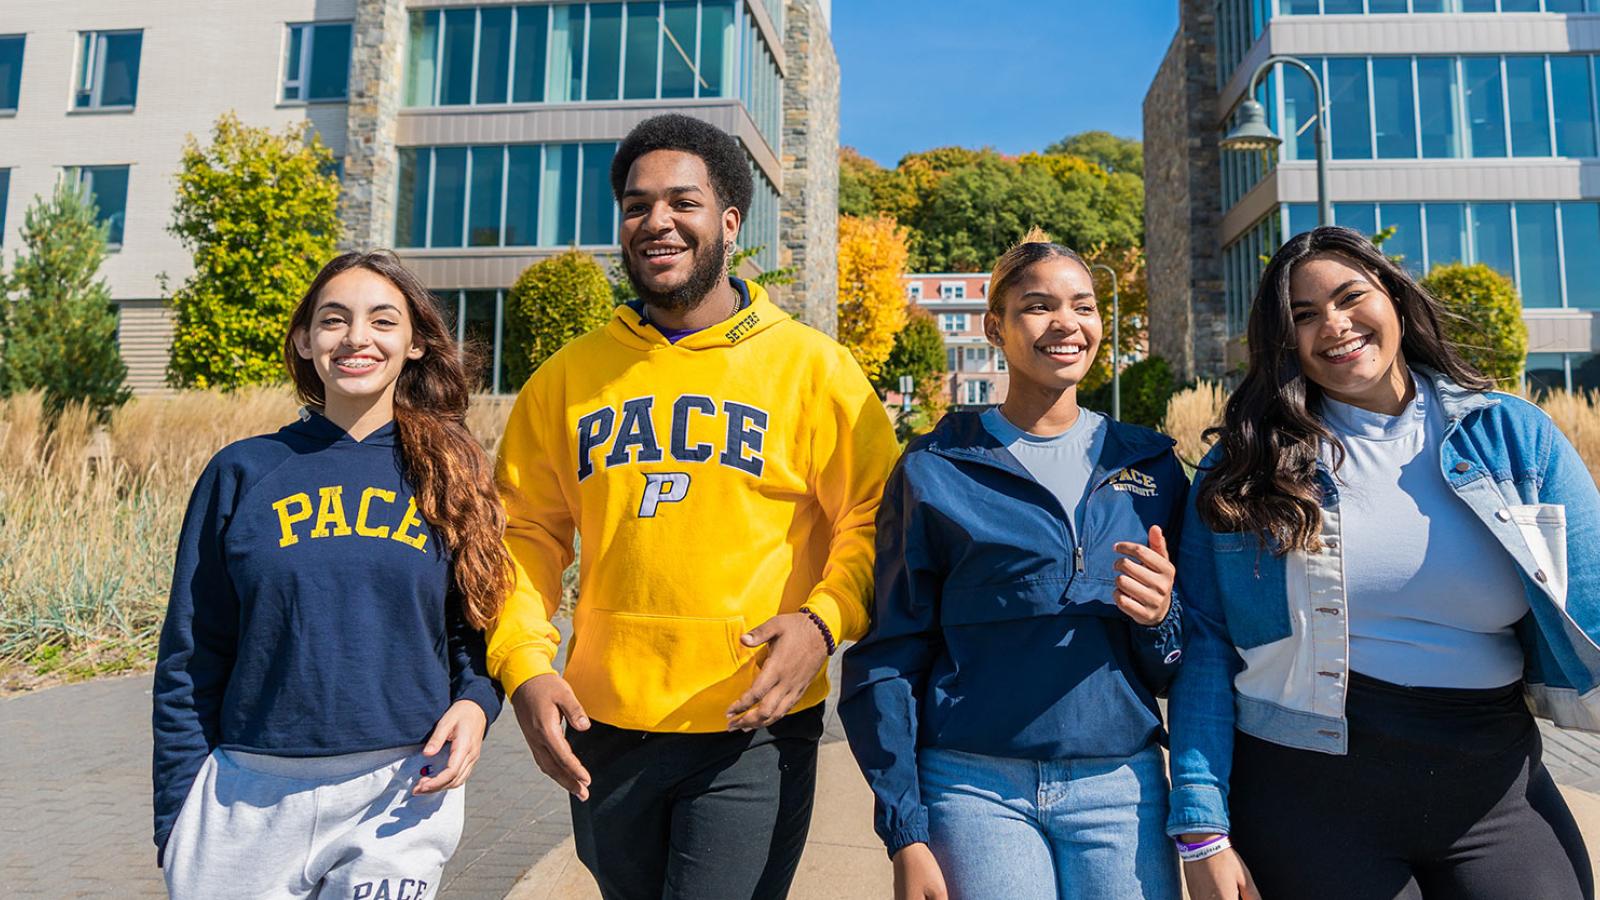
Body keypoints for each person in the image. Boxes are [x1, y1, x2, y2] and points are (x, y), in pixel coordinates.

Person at [487, 113, 899, 900]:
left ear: (730, 221)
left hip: (753, 725)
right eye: (637, 206)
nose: (657, 222)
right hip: (601, 726)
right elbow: (522, 537)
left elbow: (874, 521)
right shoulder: (567, 377)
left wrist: (823, 623)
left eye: (683, 202)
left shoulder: (816, 370)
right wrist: (523, 665)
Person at [1169, 225, 1599, 900]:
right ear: (1285, 344)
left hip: (1494, 780)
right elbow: (1208, 646)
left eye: (1350, 297)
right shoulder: (1245, 470)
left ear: (1395, 297)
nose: (1334, 326)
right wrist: (1201, 830)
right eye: (1303, 317)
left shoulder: (1512, 435)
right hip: (1308, 793)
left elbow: (1594, 603)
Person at [839, 229, 1188, 900]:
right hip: (973, 789)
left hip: (1121, 787)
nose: (1067, 323)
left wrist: (1161, 617)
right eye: (1038, 306)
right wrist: (905, 831)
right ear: (994, 328)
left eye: (1083, 306)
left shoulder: (1150, 467)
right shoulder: (934, 469)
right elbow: (889, 654)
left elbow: (1179, 667)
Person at [151, 251, 507, 898]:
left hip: (399, 792)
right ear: (305, 341)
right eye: (334, 320)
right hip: (248, 796)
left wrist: (477, 705)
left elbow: (475, 631)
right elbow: (191, 656)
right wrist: (177, 820)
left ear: (417, 343)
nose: (356, 338)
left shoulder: (451, 474)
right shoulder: (243, 472)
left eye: (382, 320)